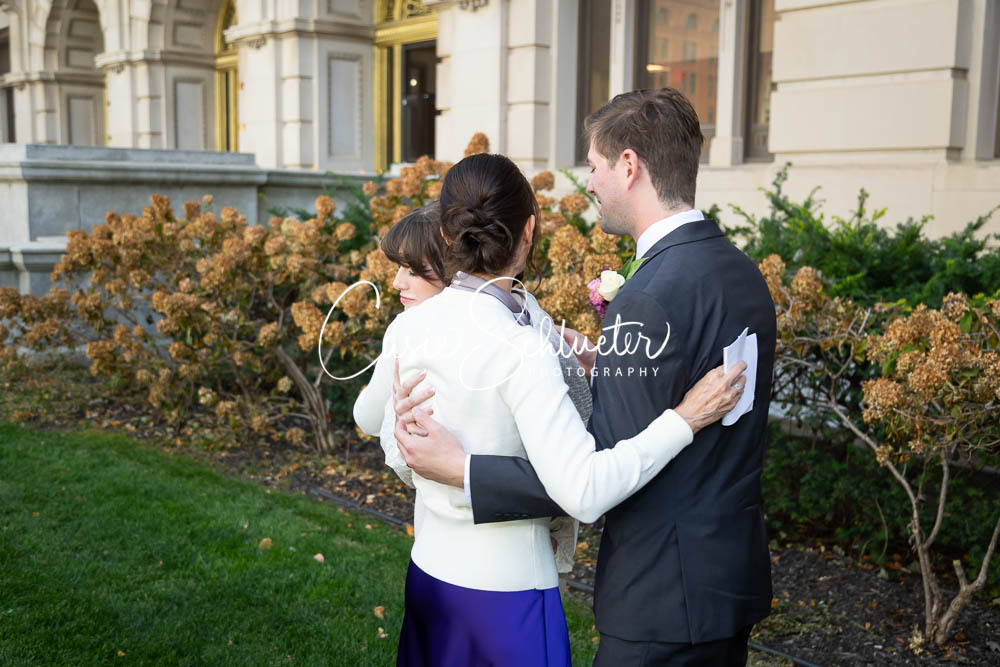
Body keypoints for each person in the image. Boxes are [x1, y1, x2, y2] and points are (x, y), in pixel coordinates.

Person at [393, 88, 777, 666]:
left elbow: (588, 472)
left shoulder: (644, 298)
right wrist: (604, 368)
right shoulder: (740, 271)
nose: (589, 182)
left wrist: (463, 470)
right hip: (728, 577)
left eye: (595, 166)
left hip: (659, 593)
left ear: (630, 166)